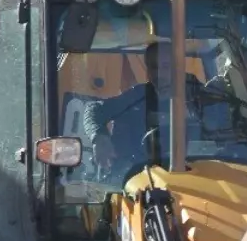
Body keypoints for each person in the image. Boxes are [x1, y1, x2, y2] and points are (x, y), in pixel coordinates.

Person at [83, 42, 213, 180]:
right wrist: (99, 137)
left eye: (165, 67)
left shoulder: (204, 97)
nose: (159, 74)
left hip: (196, 176)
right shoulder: (137, 96)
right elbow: (94, 109)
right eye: (153, 67)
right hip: (140, 177)